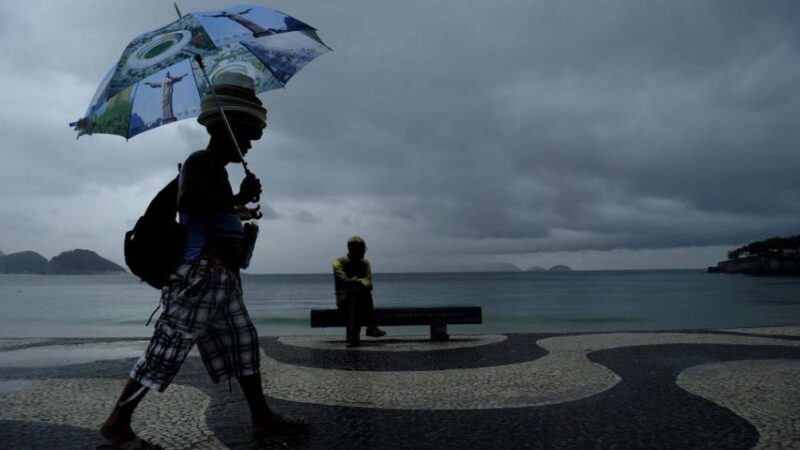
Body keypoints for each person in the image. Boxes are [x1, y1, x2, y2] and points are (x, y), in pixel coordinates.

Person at [101, 73, 304, 449]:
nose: (248, 145)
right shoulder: (201, 161)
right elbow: (189, 204)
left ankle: (261, 417)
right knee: (167, 348)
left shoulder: (216, 171)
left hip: (221, 278)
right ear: (228, 129)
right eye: (245, 136)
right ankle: (117, 423)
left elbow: (207, 213)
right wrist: (235, 197)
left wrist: (238, 210)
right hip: (201, 276)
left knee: (244, 342)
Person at [333, 236, 386, 347]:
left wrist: (358, 283)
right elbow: (343, 280)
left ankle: (354, 339)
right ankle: (371, 327)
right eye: (362, 249)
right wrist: (360, 282)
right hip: (343, 298)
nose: (364, 252)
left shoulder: (365, 263)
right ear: (352, 249)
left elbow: (369, 282)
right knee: (358, 295)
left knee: (358, 298)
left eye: (364, 249)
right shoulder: (338, 263)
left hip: (359, 299)